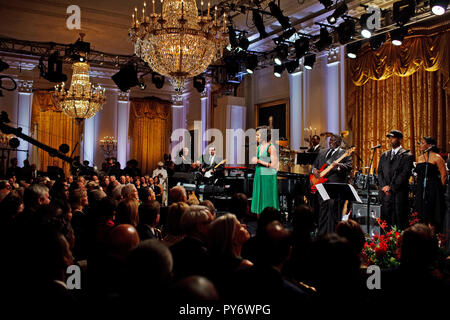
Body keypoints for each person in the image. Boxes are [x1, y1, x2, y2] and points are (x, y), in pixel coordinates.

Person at [312, 134, 353, 234]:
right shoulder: (322, 152)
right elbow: (314, 165)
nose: (331, 142)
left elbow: (349, 166)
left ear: (339, 142)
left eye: (334, 140)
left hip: (335, 187)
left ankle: (333, 235)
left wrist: (338, 166)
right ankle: (321, 235)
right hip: (321, 185)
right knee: (322, 211)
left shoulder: (344, 153)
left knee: (333, 213)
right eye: (330, 140)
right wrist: (314, 171)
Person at [378, 130, 414, 230]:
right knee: (386, 222)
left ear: (399, 139)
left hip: (398, 194)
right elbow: (380, 172)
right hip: (385, 195)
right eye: (389, 138)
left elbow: (404, 174)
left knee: (399, 222)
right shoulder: (384, 155)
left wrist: (391, 188)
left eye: (392, 137)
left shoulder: (407, 155)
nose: (390, 140)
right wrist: (384, 186)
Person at [414, 137, 447, 232]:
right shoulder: (420, 158)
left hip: (433, 188)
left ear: (430, 145)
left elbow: (444, 174)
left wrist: (440, 189)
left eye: (423, 143)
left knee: (432, 214)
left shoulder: (437, 157)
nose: (420, 145)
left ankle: (432, 236)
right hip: (421, 187)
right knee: (421, 212)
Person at [251, 126, 280, 215]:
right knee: (259, 198)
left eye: (258, 135)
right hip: (259, 173)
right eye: (256, 135)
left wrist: (259, 161)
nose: (256, 137)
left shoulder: (271, 147)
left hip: (268, 175)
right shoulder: (258, 147)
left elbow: (274, 166)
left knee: (267, 198)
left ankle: (269, 219)